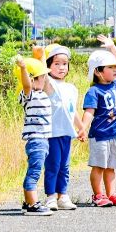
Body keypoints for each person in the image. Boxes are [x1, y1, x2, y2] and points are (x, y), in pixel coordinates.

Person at [77, 35, 116, 207]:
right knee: (99, 166)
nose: (115, 70)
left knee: (111, 166)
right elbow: (89, 112)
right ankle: (98, 195)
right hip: (100, 135)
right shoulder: (94, 91)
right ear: (98, 71)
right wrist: (83, 128)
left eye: (115, 67)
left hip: (114, 134)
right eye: (110, 67)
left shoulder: (114, 84)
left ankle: (111, 193)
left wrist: (112, 47)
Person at [40, 44, 82, 211]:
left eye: (64, 64)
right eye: (56, 63)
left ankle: (63, 195)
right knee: (53, 165)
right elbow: (42, 75)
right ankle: (51, 196)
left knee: (64, 166)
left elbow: (73, 111)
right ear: (49, 65)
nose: (61, 67)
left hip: (67, 133)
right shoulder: (49, 84)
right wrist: (41, 55)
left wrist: (81, 128)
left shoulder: (71, 88)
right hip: (52, 132)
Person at [15, 56, 54, 216]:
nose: (45, 79)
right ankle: (33, 204)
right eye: (42, 77)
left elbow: (49, 84)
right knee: (35, 172)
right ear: (32, 79)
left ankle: (27, 201)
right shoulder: (28, 95)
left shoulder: (43, 93)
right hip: (36, 140)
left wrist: (41, 57)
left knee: (36, 169)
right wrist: (24, 68)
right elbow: (26, 84)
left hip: (43, 140)